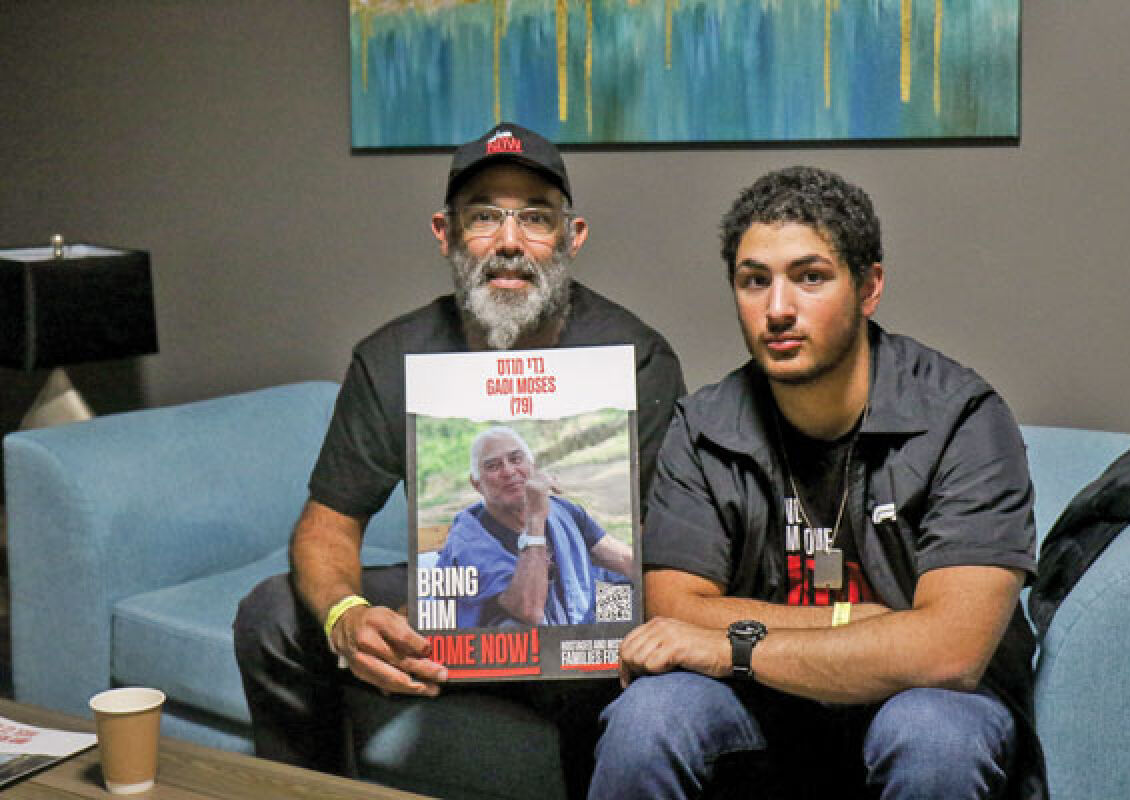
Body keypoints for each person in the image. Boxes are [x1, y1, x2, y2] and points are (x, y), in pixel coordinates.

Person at [233, 122, 685, 793]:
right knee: (272, 612)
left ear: (572, 236)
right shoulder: (394, 357)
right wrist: (345, 618)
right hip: (459, 611)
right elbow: (328, 524)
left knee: (593, 659)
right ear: (445, 233)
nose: (509, 241)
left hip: (577, 627)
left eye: (535, 216)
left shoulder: (634, 357)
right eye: (483, 216)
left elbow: (661, 549)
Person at [589, 166, 1045, 800]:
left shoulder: (962, 419)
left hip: (928, 705)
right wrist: (864, 622)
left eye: (810, 278)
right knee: (649, 717)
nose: (777, 309)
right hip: (761, 710)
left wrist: (736, 647)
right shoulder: (704, 427)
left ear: (869, 287)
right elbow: (673, 612)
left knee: (932, 731)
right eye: (755, 282)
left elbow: (949, 650)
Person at [435, 426, 634, 628]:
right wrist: (535, 518)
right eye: (493, 466)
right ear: (476, 484)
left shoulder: (562, 510)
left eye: (515, 459)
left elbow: (623, 559)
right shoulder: (468, 540)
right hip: (508, 644)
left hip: (576, 615)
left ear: (532, 466)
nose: (509, 471)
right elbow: (528, 610)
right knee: (515, 628)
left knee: (636, 595)